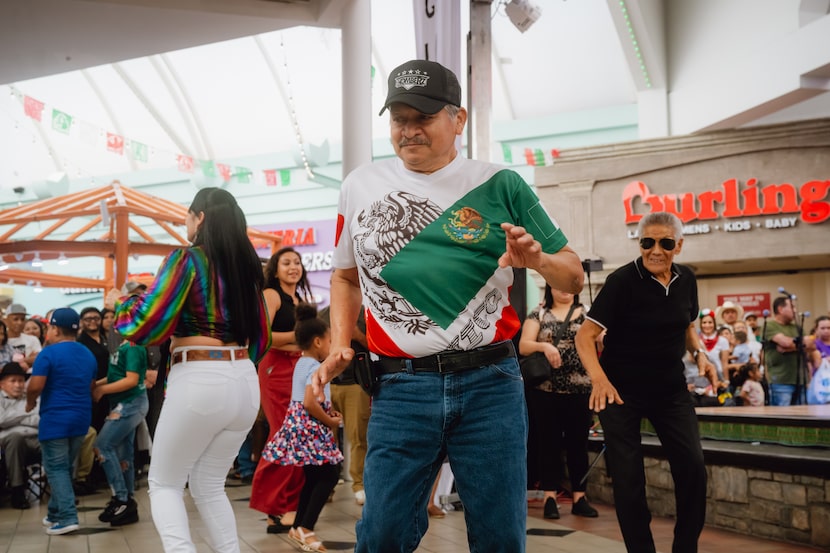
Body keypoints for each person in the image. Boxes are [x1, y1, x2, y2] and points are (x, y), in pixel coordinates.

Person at [313, 59, 584, 552]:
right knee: (382, 535)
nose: (409, 130)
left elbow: (573, 271)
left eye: (424, 117)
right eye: (399, 118)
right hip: (399, 386)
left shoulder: (500, 183)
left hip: (491, 387)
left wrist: (538, 259)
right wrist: (338, 342)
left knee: (501, 538)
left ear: (457, 120)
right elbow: (345, 276)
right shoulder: (359, 185)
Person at [110, 187, 271, 553]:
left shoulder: (188, 259)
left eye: (187, 215)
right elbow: (262, 339)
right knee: (208, 484)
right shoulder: (248, 271)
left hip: (200, 377)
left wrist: (122, 303)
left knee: (165, 483)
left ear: (199, 218)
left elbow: (146, 322)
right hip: (244, 381)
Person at [574, 211, 717, 553]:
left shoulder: (687, 280)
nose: (656, 250)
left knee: (693, 468)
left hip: (669, 390)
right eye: (647, 242)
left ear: (678, 246)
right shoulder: (623, 281)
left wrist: (700, 354)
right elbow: (585, 335)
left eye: (665, 243)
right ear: (639, 244)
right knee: (628, 480)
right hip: (620, 392)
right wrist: (599, 379)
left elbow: (687, 325)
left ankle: (686, 547)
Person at [262, 304, 342, 552]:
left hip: (304, 423)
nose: (331, 345)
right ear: (318, 342)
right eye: (330, 340)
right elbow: (309, 401)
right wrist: (329, 421)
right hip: (311, 424)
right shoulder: (313, 366)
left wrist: (328, 411)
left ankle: (299, 526)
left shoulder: (301, 362)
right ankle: (306, 527)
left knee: (314, 475)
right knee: (330, 472)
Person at [518, 284, 598, 520]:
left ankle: (580, 497)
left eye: (570, 284)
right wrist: (544, 346)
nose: (565, 289)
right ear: (550, 287)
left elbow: (602, 338)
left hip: (581, 389)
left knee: (578, 445)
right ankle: (550, 497)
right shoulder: (539, 313)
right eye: (559, 283)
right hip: (546, 390)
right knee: (548, 445)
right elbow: (524, 345)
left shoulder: (588, 313)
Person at [250, 247, 312, 533]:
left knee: (297, 435)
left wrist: (297, 343)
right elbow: (265, 338)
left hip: (297, 368)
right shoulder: (271, 295)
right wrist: (298, 339)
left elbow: (299, 343)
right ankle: (274, 507)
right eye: (286, 262)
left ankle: (288, 505)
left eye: (297, 262)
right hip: (275, 370)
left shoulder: (298, 299)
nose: (293, 267)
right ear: (275, 269)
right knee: (283, 435)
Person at [25, 308, 97, 535]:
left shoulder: (48, 353)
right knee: (64, 467)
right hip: (81, 418)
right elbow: (91, 386)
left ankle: (67, 517)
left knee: (55, 469)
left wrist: (29, 402)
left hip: (56, 419)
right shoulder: (87, 353)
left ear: (54, 329)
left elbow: (36, 385)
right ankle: (55, 513)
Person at [92, 336, 148, 527]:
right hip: (124, 403)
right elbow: (118, 374)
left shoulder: (132, 347)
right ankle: (128, 504)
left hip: (130, 404)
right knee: (124, 453)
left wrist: (102, 390)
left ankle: (121, 498)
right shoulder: (125, 346)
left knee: (102, 446)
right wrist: (97, 384)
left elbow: (131, 380)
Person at [319, 304, 370, 506]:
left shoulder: (364, 313)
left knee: (358, 436)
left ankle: (359, 484)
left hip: (356, 385)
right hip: (329, 383)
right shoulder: (323, 314)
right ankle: (327, 486)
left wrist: (357, 336)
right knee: (327, 439)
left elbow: (376, 348)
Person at [0, 362, 40, 509]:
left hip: (35, 439)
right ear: (2, 384)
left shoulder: (31, 397)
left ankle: (63, 490)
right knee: (15, 437)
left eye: (21, 380)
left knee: (55, 440)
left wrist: (15, 418)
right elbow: (1, 420)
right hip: (8, 442)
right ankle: (17, 491)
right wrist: (27, 412)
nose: (18, 385)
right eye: (13, 381)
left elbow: (41, 419)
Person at [761, 296, 803, 406]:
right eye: (792, 307)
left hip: (801, 380)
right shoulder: (769, 325)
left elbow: (811, 344)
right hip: (781, 381)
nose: (795, 310)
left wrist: (789, 348)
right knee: (782, 416)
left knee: (804, 417)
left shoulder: (797, 327)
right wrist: (797, 345)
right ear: (780, 309)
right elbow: (785, 342)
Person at [5, 304, 42, 370]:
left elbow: (39, 359)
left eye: (22, 319)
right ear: (6, 320)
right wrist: (27, 360)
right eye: (15, 319)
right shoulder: (2, 340)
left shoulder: (33, 339)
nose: (20, 322)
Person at [698, 309, 730, 383]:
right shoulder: (697, 340)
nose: (707, 325)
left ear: (714, 323)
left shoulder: (722, 341)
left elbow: (724, 363)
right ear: (700, 324)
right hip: (701, 379)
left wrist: (726, 380)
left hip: (719, 378)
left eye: (710, 322)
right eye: (704, 322)